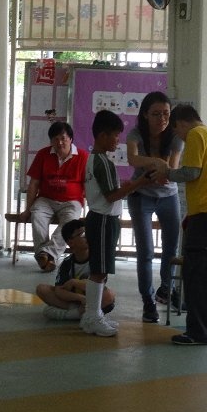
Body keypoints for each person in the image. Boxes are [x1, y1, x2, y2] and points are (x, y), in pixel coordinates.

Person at [151, 104, 207, 346]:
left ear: (181, 123)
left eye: (177, 131)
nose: (180, 137)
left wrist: (167, 172)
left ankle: (199, 332)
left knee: (197, 274)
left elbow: (191, 172)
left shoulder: (196, 135)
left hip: (206, 213)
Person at [81, 109, 151, 337]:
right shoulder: (103, 163)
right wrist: (139, 183)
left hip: (102, 218)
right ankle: (92, 316)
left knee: (101, 270)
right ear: (102, 135)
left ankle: (93, 315)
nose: (117, 140)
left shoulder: (95, 159)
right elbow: (111, 196)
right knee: (99, 271)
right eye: (115, 135)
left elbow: (108, 191)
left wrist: (127, 185)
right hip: (103, 220)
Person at [126, 92, 183, 323]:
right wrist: (157, 162)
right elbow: (132, 159)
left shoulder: (176, 137)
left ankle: (166, 289)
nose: (162, 119)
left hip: (169, 196)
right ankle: (147, 301)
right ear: (145, 115)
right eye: (156, 114)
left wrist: (160, 169)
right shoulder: (135, 134)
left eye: (166, 114)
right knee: (146, 252)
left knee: (171, 247)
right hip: (141, 195)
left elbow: (171, 170)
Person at [20, 121, 89, 273]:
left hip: (72, 201)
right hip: (46, 199)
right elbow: (34, 184)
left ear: (70, 139)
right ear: (51, 141)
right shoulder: (43, 154)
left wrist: (91, 209)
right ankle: (47, 257)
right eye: (55, 139)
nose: (60, 142)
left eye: (63, 138)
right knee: (37, 215)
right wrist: (27, 209)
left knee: (70, 223)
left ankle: (46, 255)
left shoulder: (83, 157)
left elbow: (88, 185)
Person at [36, 218, 115, 321]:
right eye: (82, 234)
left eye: (87, 233)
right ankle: (79, 312)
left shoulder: (98, 259)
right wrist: (80, 298)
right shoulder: (67, 263)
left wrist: (74, 282)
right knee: (42, 289)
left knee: (109, 295)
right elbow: (59, 290)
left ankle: (71, 314)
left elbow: (98, 286)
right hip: (73, 299)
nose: (87, 236)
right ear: (71, 242)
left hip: (93, 300)